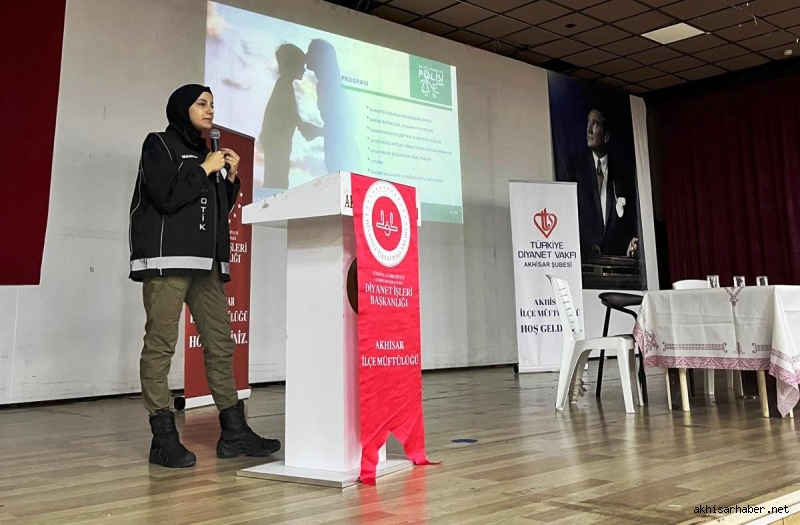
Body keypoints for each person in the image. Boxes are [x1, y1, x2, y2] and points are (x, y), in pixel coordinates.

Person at [128, 84, 281, 468]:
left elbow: (214, 211)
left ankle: (234, 432)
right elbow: (165, 197)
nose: (210, 109)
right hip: (166, 260)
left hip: (205, 264)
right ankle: (163, 437)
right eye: (202, 103)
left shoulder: (206, 154)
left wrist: (229, 178)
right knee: (161, 345)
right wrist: (203, 169)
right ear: (182, 107)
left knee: (220, 343)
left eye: (212, 104)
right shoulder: (159, 144)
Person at [567, 108, 639, 258]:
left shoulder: (621, 173)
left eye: (595, 124)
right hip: (585, 259)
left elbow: (628, 219)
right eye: (588, 122)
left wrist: (629, 245)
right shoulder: (576, 167)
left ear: (606, 137)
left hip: (615, 259)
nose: (589, 130)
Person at [300, 38, 362, 174]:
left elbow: (344, 128)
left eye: (310, 51)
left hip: (344, 156)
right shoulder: (325, 85)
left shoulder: (330, 87)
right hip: (337, 153)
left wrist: (317, 131)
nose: (306, 55)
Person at [259, 43, 306, 190]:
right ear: (293, 64)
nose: (304, 69)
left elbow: (291, 114)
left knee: (277, 179)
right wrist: (304, 127)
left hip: (278, 142)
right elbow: (291, 114)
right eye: (302, 65)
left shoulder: (284, 85)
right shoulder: (284, 85)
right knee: (277, 180)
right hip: (277, 144)